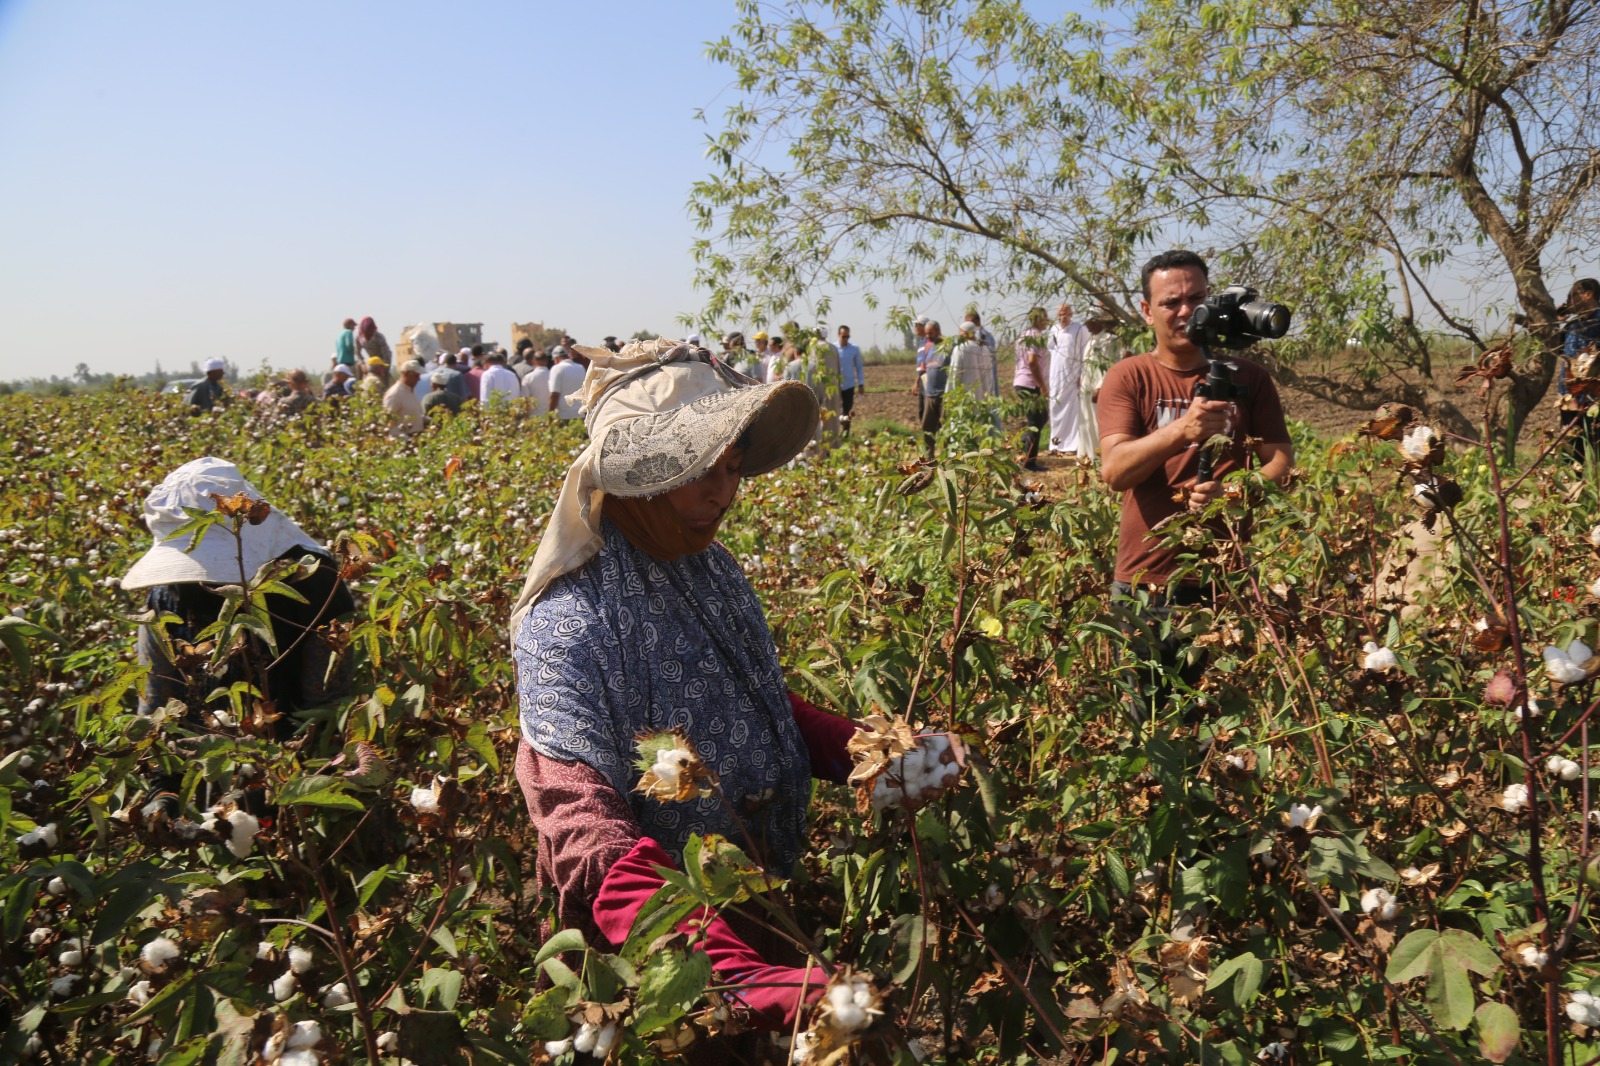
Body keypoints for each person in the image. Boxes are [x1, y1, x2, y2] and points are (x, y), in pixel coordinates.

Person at [507, 338, 957, 1038]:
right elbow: (580, 826)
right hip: (652, 958)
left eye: (732, 465)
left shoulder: (711, 568)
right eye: (696, 470)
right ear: (638, 475)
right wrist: (731, 970)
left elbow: (763, 706)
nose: (722, 491)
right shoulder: (569, 622)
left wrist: (875, 755)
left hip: (754, 907)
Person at [1097, 250, 1294, 718]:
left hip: (1223, 578)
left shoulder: (1250, 379)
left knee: (1222, 726)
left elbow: (1280, 462)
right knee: (1150, 724)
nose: (1186, 311)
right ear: (1147, 311)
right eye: (1171, 302)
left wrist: (1235, 492)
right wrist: (1183, 431)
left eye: (1197, 298)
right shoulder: (1129, 377)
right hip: (1148, 580)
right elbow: (1115, 471)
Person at [122, 457, 354, 724]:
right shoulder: (164, 600)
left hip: (296, 753)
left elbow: (326, 709)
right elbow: (156, 710)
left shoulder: (314, 580)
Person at [1560, 278, 1600, 459]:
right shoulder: (1572, 326)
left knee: (1594, 454)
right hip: (1569, 402)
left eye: (1573, 295)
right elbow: (1554, 348)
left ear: (1588, 294)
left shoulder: (1597, 324)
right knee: (1572, 456)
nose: (1568, 301)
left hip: (1594, 401)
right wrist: (1554, 321)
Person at [1078, 317, 1124, 461]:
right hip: (1086, 386)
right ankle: (1088, 455)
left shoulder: (1110, 339)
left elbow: (1112, 364)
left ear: (1098, 321)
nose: (1087, 326)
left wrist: (1100, 386)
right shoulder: (1092, 340)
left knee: (1099, 422)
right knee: (1085, 421)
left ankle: (1102, 456)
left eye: (1089, 323)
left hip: (1099, 387)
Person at [1013, 308, 1051, 470]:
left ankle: (1024, 443)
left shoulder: (1023, 335)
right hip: (1030, 382)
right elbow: (1032, 361)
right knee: (1036, 421)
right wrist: (1042, 385)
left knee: (1040, 418)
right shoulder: (1035, 336)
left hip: (1022, 381)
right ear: (1038, 320)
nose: (1047, 321)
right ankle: (1029, 462)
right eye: (1045, 318)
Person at [1047, 303, 1087, 454]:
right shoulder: (1054, 329)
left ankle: (1070, 445)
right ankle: (1055, 445)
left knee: (1072, 409)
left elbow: (1085, 351)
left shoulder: (1079, 329)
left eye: (1065, 313)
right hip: (1056, 376)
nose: (1062, 317)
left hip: (1073, 375)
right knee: (1054, 407)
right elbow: (1051, 349)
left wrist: (1082, 374)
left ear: (1071, 314)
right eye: (1060, 314)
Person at [918, 321, 948, 456]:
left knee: (945, 429)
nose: (927, 336)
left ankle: (948, 457)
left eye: (930, 333)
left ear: (938, 331)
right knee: (927, 427)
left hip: (944, 395)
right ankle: (929, 458)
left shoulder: (948, 346)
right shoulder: (929, 347)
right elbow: (924, 368)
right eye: (926, 334)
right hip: (929, 394)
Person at [384, 361, 427, 435]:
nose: (419, 379)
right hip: (405, 439)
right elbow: (388, 423)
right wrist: (404, 439)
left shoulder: (411, 391)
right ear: (406, 374)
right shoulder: (395, 394)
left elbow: (411, 413)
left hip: (416, 437)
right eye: (416, 376)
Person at [837, 325, 864, 435]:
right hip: (835, 385)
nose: (846, 339)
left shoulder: (854, 349)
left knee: (847, 411)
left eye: (848, 336)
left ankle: (845, 434)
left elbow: (859, 367)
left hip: (849, 385)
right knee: (834, 411)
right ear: (839, 335)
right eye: (844, 336)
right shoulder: (833, 349)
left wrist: (861, 384)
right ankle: (834, 434)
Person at [548, 346, 587, 420]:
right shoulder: (580, 368)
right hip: (580, 414)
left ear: (556, 359)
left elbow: (554, 395)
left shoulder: (557, 368)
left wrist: (550, 416)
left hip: (563, 415)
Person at [911, 315, 930, 418]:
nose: (915, 327)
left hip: (928, 379)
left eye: (917, 325)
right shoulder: (922, 342)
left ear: (924, 326)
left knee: (928, 410)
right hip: (922, 379)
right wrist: (917, 382)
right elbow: (921, 366)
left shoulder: (930, 342)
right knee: (921, 410)